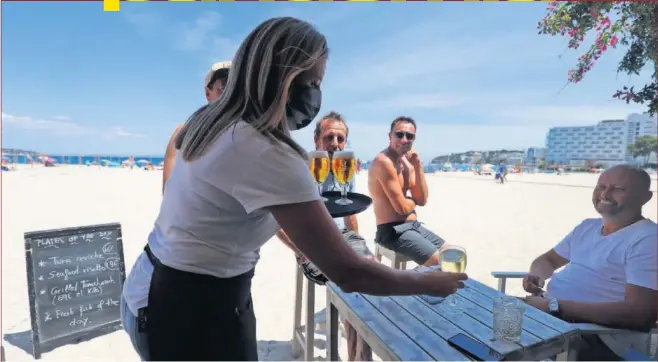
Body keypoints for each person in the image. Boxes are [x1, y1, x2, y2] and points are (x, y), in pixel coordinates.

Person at [120, 17, 467, 361]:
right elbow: (348, 272)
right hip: (192, 308)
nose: (315, 94)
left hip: (152, 289)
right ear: (280, 76)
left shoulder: (208, 123)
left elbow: (239, 210)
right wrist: (426, 282)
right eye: (312, 82)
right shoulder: (266, 150)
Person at [521, 165, 657, 360]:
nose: (606, 194)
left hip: (596, 336)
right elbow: (548, 260)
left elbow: (640, 314)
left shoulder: (648, 239)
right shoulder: (587, 227)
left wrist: (554, 306)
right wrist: (537, 276)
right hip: (552, 316)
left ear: (645, 197)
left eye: (619, 189)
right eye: (601, 186)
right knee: (476, 319)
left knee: (493, 340)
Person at [276, 111, 373, 361]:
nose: (336, 144)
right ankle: (359, 357)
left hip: (342, 241)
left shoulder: (344, 167)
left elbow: (350, 214)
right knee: (355, 282)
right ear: (316, 140)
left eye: (341, 139)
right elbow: (275, 222)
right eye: (330, 137)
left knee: (371, 274)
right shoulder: (299, 168)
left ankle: (357, 354)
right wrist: (300, 250)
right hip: (311, 245)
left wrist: (358, 244)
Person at [368, 116, 446, 266]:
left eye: (409, 136)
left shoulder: (406, 162)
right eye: (399, 134)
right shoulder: (384, 162)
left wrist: (417, 165)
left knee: (452, 252)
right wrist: (412, 201)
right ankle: (412, 287)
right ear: (390, 136)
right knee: (439, 261)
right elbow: (402, 208)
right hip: (392, 231)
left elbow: (422, 200)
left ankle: (421, 285)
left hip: (413, 226)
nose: (404, 139)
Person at [161, 61, 231, 193]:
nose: (232, 94)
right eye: (224, 86)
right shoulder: (183, 134)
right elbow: (169, 191)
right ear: (208, 93)